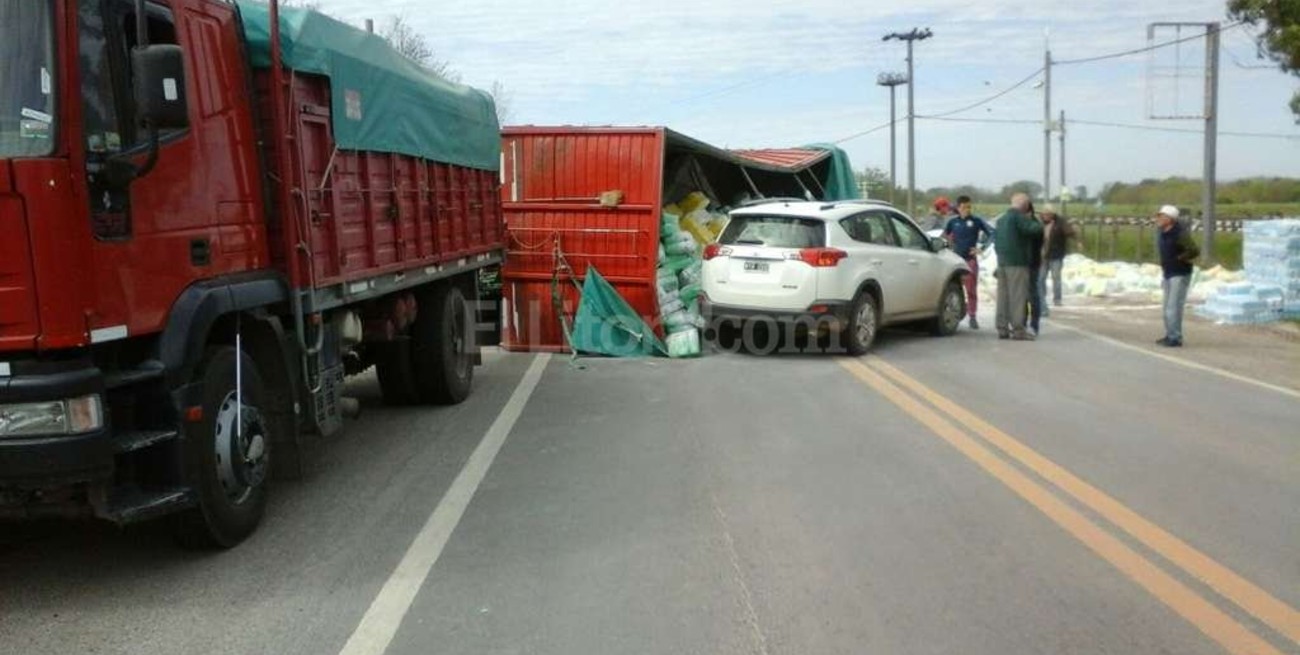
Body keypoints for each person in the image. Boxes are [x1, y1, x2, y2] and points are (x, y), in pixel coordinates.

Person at [993, 193, 1044, 341]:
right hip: (1017, 262)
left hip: (1002, 262)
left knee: (1003, 297)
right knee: (1017, 297)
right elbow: (1035, 229)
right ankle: (1018, 329)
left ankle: (1002, 328)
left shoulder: (1001, 219)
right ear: (1025, 206)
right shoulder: (1019, 218)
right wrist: (1036, 221)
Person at [942, 195, 995, 329]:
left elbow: (992, 233)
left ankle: (972, 316)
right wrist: (948, 244)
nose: (967, 210)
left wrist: (981, 248)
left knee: (971, 290)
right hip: (955, 261)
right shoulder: (953, 222)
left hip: (970, 260)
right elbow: (944, 236)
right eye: (964, 207)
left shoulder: (976, 221)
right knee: (953, 288)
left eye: (969, 207)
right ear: (958, 208)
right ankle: (954, 314)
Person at [1155, 205, 1199, 347]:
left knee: (1173, 307)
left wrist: (1179, 258)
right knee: (1166, 307)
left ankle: (1175, 338)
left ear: (1170, 219)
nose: (1158, 219)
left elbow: (1194, 250)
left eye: (1162, 216)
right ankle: (1169, 334)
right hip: (1168, 272)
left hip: (1179, 273)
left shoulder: (1179, 234)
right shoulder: (1163, 232)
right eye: (1158, 216)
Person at [1038, 205, 1072, 310]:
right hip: (1042, 255)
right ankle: (1042, 299)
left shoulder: (1060, 222)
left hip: (1056, 255)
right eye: (1044, 214)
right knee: (1041, 278)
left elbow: (1069, 232)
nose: (1045, 216)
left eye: (1048, 214)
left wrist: (1070, 232)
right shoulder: (1039, 223)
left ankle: (1057, 299)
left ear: (1052, 214)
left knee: (1056, 278)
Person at [1026, 202, 1045, 335]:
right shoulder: (1028, 224)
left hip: (1032, 263)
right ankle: (1022, 322)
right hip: (1024, 263)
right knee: (1023, 295)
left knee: (1032, 294)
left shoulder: (1035, 226)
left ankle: (1034, 324)